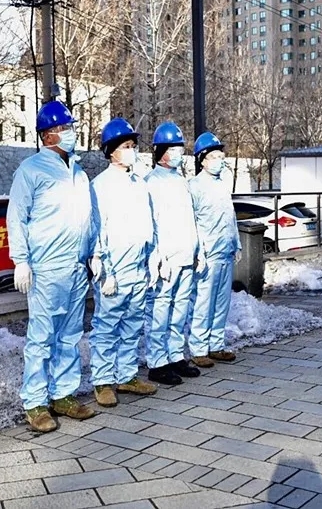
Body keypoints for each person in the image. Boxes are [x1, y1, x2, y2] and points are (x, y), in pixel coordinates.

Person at [7, 100, 98, 433]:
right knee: (42, 336)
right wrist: (21, 260)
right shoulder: (31, 170)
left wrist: (95, 253)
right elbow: (16, 217)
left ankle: (63, 395)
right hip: (47, 266)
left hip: (76, 265)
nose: (69, 133)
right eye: (63, 128)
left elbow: (91, 218)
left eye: (70, 127)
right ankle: (34, 402)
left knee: (70, 335)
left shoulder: (79, 173)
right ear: (47, 135)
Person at [89, 117, 160, 407]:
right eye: (126, 146)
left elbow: (149, 222)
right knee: (107, 326)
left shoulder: (139, 184)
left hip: (138, 265)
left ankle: (127, 375)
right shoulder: (100, 186)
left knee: (132, 324)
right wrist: (102, 267)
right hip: (114, 268)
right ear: (111, 151)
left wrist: (153, 256)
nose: (132, 151)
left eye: (133, 145)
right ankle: (103, 381)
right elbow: (96, 228)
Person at [143, 121, 203, 385]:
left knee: (180, 309)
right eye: (174, 148)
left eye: (180, 148)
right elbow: (150, 224)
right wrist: (157, 256)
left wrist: (198, 250)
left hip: (186, 255)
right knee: (159, 310)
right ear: (161, 152)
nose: (179, 153)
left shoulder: (181, 181)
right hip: (166, 259)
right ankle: (157, 362)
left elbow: (191, 219)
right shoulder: (151, 183)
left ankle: (176, 355)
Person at [188, 132, 241, 368]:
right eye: (214, 156)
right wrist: (198, 251)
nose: (219, 160)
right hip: (208, 254)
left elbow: (230, 217)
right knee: (203, 303)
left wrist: (236, 243)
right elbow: (192, 222)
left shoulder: (221, 185)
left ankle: (216, 344)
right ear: (202, 160)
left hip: (225, 251)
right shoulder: (195, 186)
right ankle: (199, 349)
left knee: (221, 303)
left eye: (221, 156)